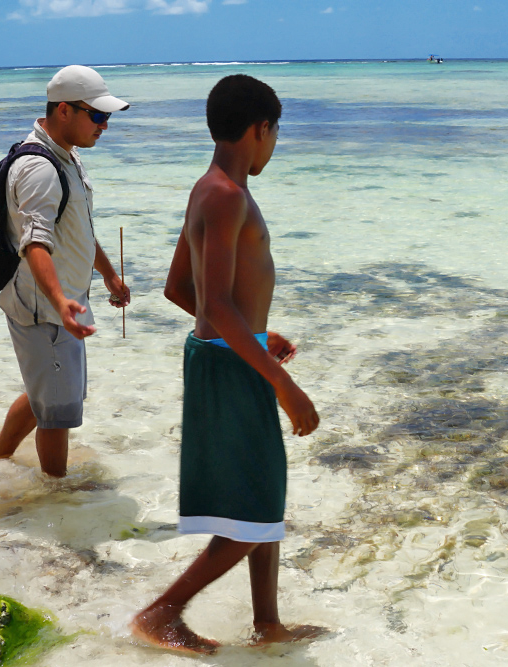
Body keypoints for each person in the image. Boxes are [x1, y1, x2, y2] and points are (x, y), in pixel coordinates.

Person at [131, 74, 324, 654]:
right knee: (255, 504)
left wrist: (258, 335)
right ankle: (161, 611)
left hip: (233, 353)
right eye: (275, 133)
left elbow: (176, 288)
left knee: (262, 497)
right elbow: (211, 301)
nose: (275, 144)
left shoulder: (210, 188)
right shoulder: (226, 196)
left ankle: (268, 624)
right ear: (260, 128)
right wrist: (285, 385)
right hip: (227, 364)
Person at [0, 65, 131, 478]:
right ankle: (57, 498)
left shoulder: (67, 156)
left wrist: (106, 274)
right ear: (64, 110)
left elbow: (78, 230)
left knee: (46, 397)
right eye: (98, 116)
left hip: (62, 303)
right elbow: (35, 244)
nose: (105, 126)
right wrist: (60, 302)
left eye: (108, 117)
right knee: (59, 414)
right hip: (46, 310)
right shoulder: (40, 169)